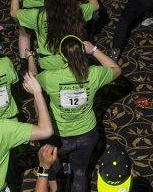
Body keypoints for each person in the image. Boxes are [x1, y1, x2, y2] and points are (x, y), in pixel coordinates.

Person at [36, 35, 122, 192]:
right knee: (80, 173)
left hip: (60, 137)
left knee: (50, 166)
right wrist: (94, 50)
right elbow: (116, 70)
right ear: (83, 53)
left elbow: (32, 80)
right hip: (87, 135)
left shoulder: (49, 77)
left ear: (62, 56)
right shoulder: (94, 74)